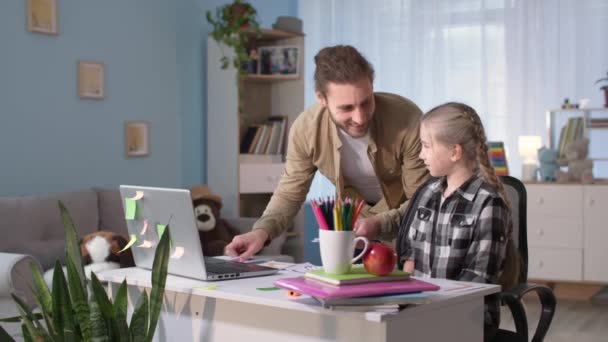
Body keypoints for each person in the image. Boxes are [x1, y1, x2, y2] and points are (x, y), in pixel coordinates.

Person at [225, 45, 430, 260]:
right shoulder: (306, 130)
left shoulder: (407, 118)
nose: (360, 118)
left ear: (372, 85)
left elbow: (422, 199)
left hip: (412, 226)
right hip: (357, 230)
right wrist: (261, 231)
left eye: (366, 102)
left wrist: (381, 223)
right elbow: (290, 192)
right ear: (321, 98)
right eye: (346, 108)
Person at [395, 102, 520, 341]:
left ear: (454, 152)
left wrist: (426, 309)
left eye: (426, 146)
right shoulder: (427, 193)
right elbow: (410, 260)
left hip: (466, 315)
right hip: (422, 309)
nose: (421, 155)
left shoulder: (488, 203)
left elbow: (477, 281)